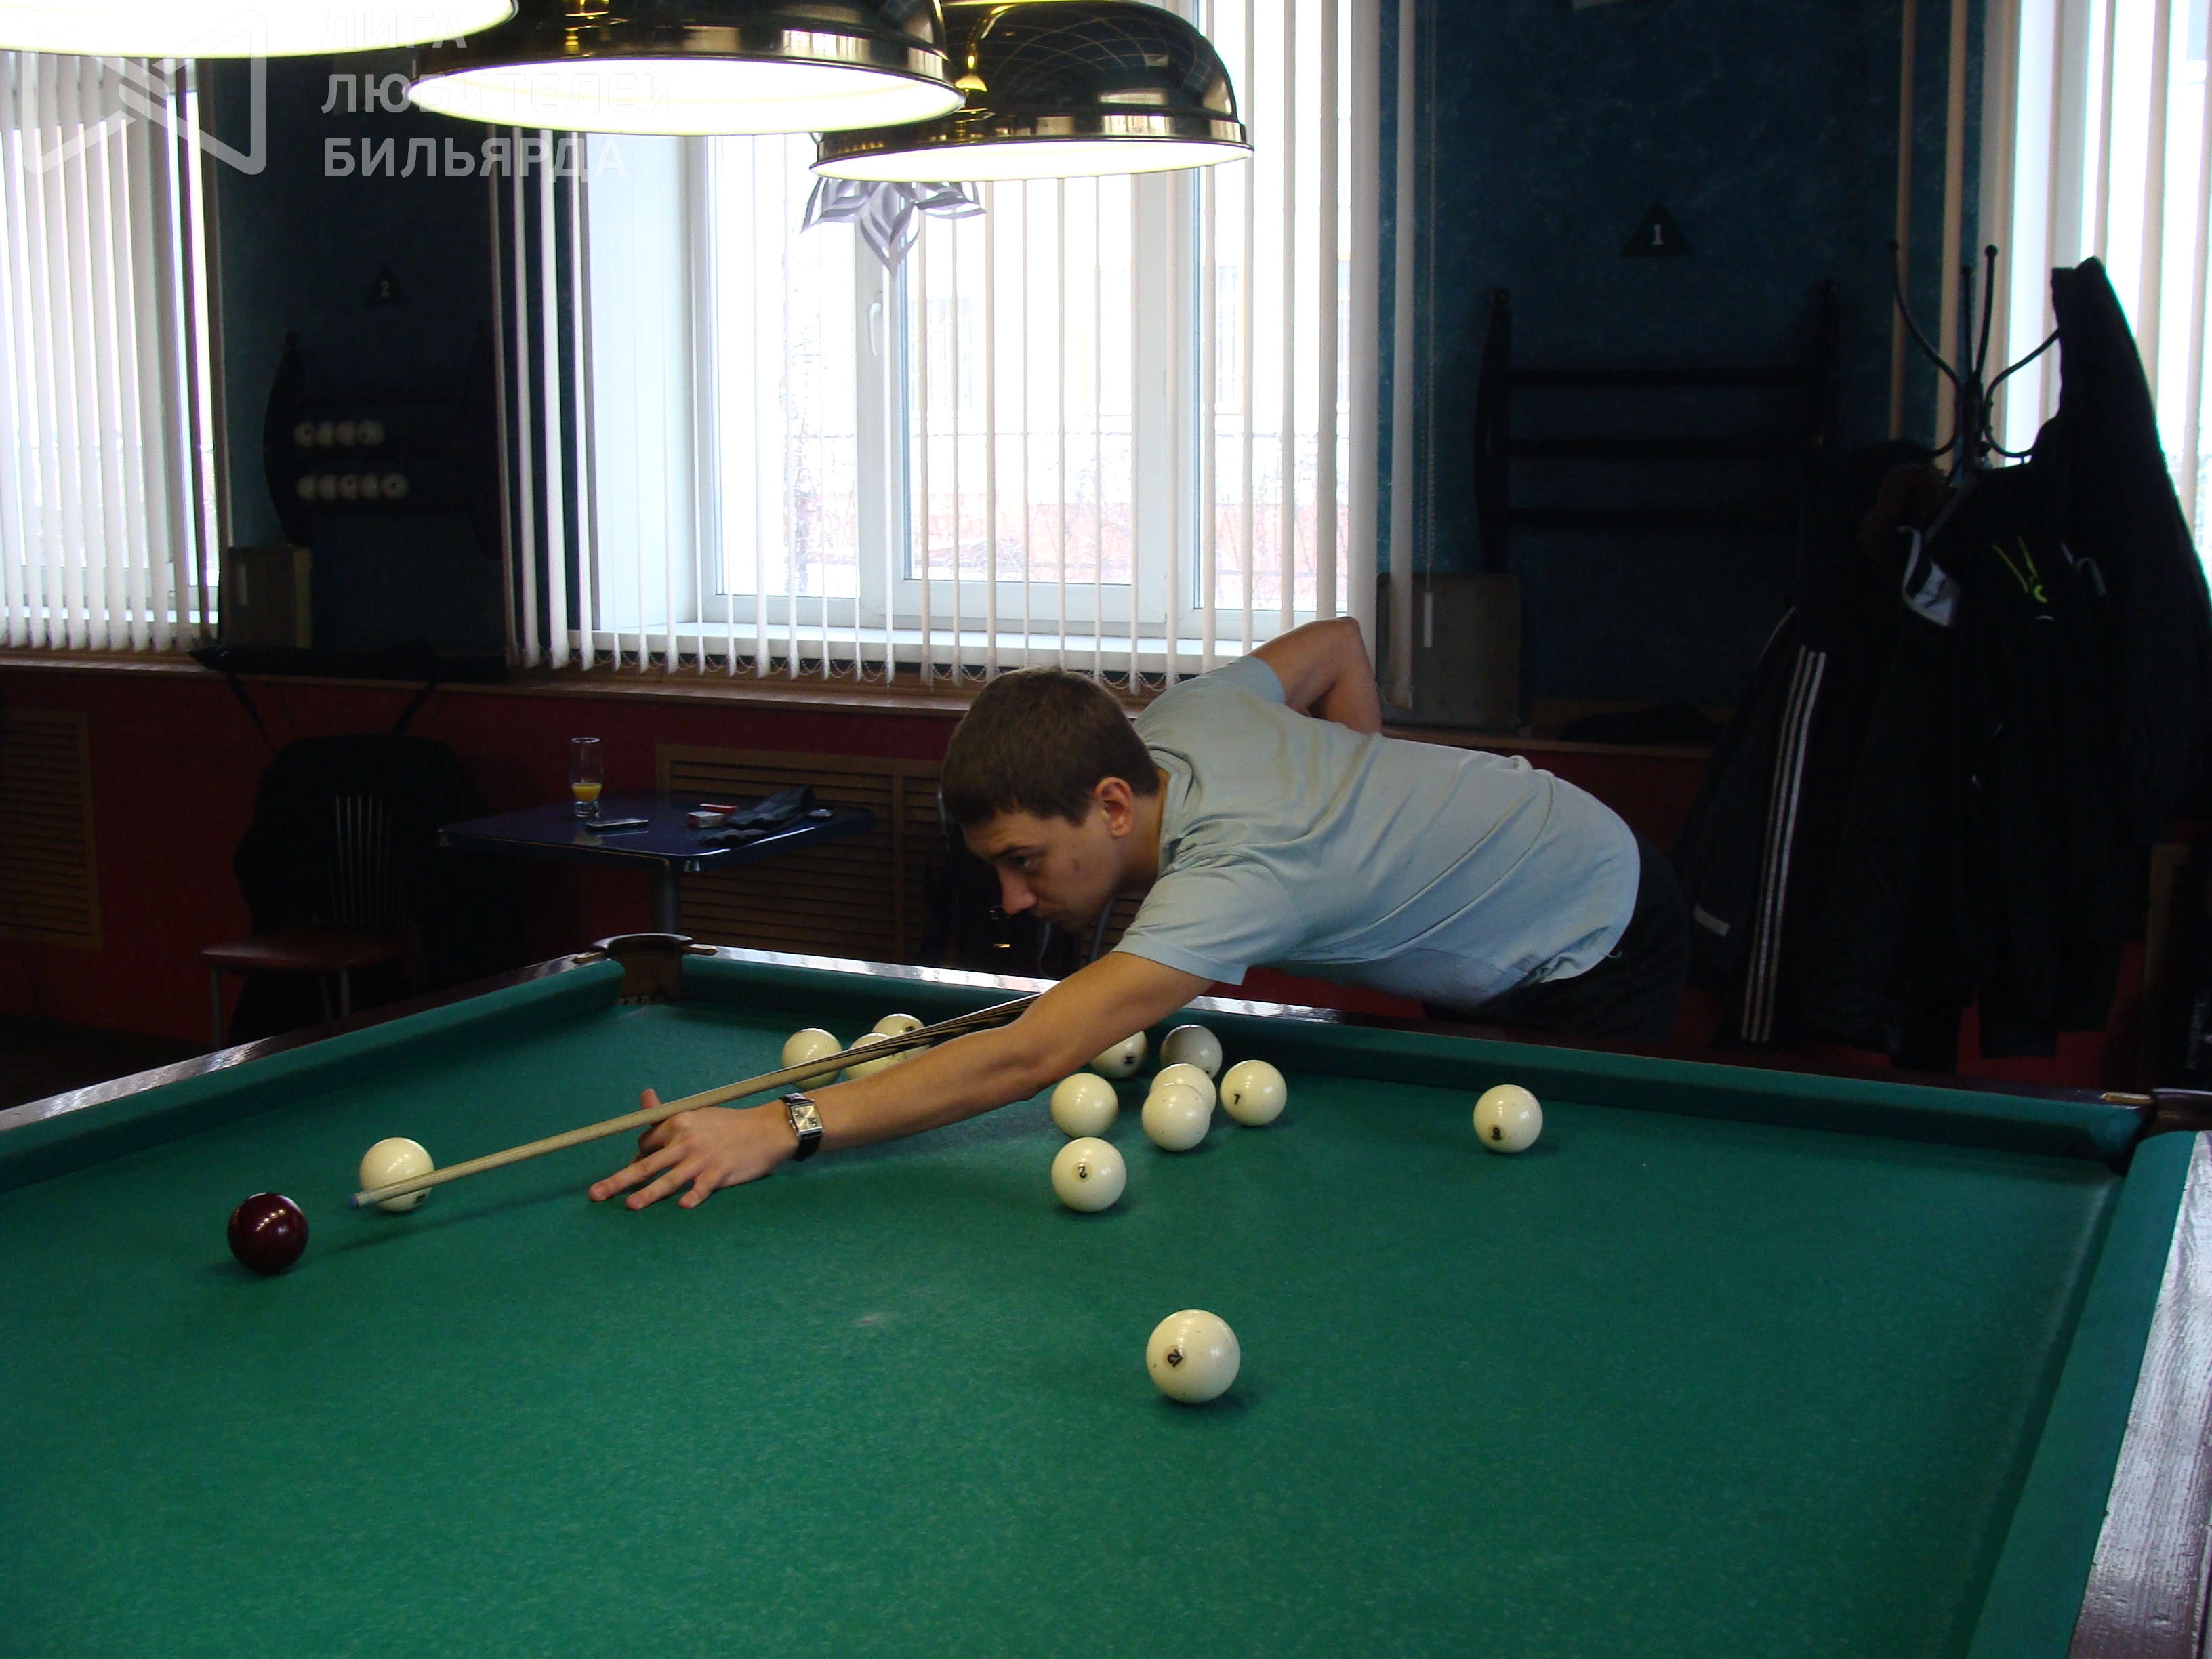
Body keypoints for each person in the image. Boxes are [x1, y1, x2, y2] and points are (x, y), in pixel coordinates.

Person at [590, 618, 1688, 1211]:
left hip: (1599, 931)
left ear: (1114, 804)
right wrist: (1367, 801)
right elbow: (1340, 645)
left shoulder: (1238, 874)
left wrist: (781, 1127)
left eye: (1024, 862)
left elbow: (1033, 1053)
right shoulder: (1180, 719)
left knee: (1555, 1208)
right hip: (1546, 853)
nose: (1013, 900)